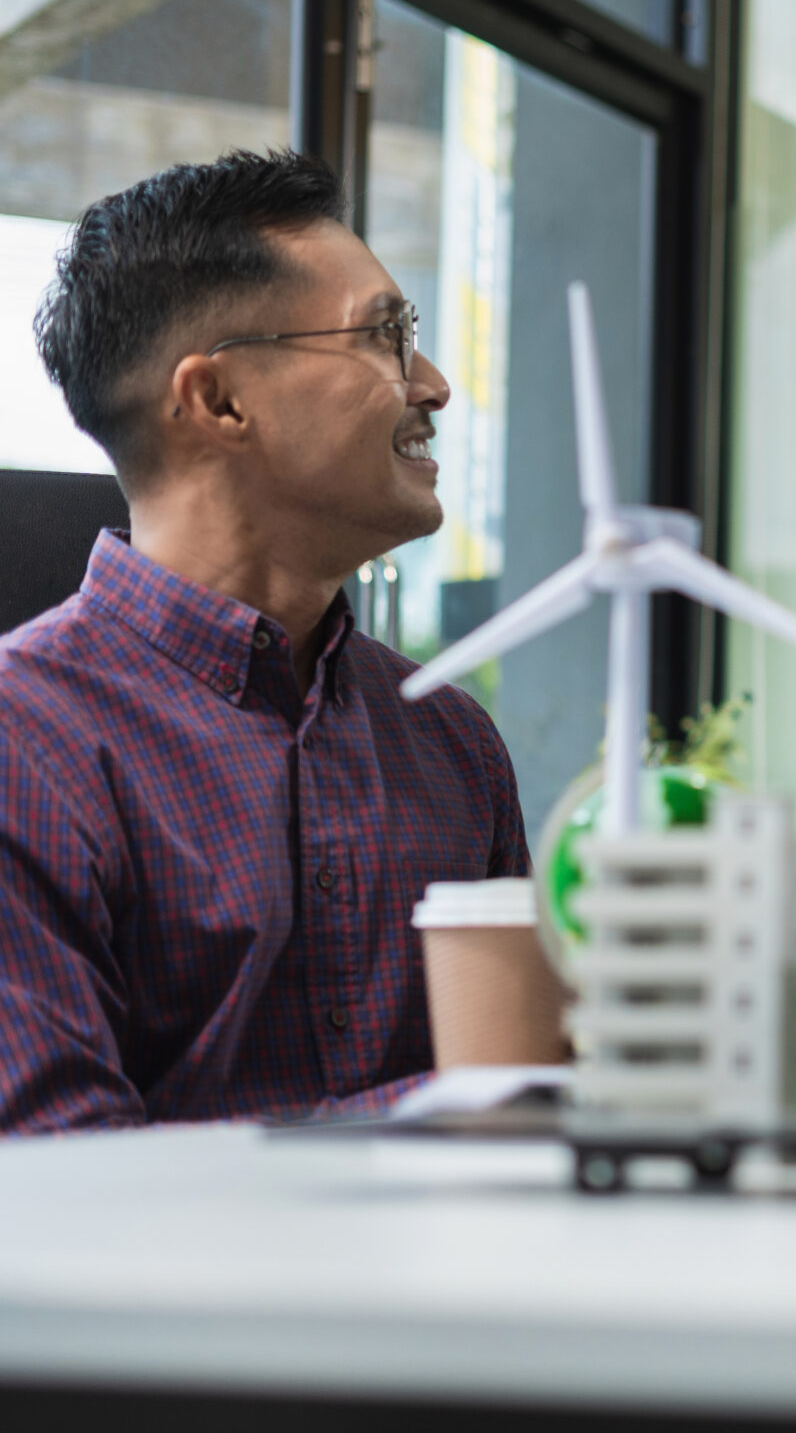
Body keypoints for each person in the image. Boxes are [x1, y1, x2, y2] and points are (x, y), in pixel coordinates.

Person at [0, 150, 527, 1133]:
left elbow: (530, 1101)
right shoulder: (23, 744)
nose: (437, 384)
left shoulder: (455, 742)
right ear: (219, 401)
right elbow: (54, 1179)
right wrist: (468, 1105)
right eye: (386, 337)